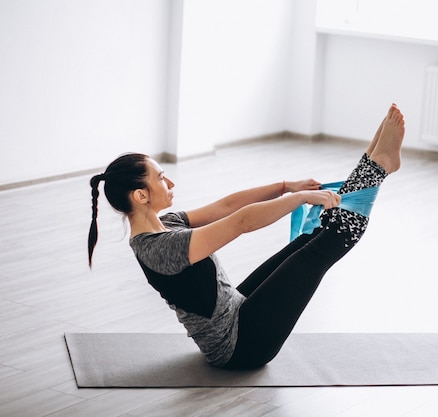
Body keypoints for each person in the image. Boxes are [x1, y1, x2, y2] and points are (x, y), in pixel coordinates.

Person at [88, 104, 405, 369]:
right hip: (240, 347)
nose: (169, 181)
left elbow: (226, 206)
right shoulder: (161, 249)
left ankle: (373, 165)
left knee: (307, 241)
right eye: (160, 178)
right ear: (141, 196)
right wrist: (300, 199)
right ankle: (377, 167)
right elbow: (240, 222)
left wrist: (286, 186)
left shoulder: (166, 223)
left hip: (238, 311)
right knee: (325, 245)